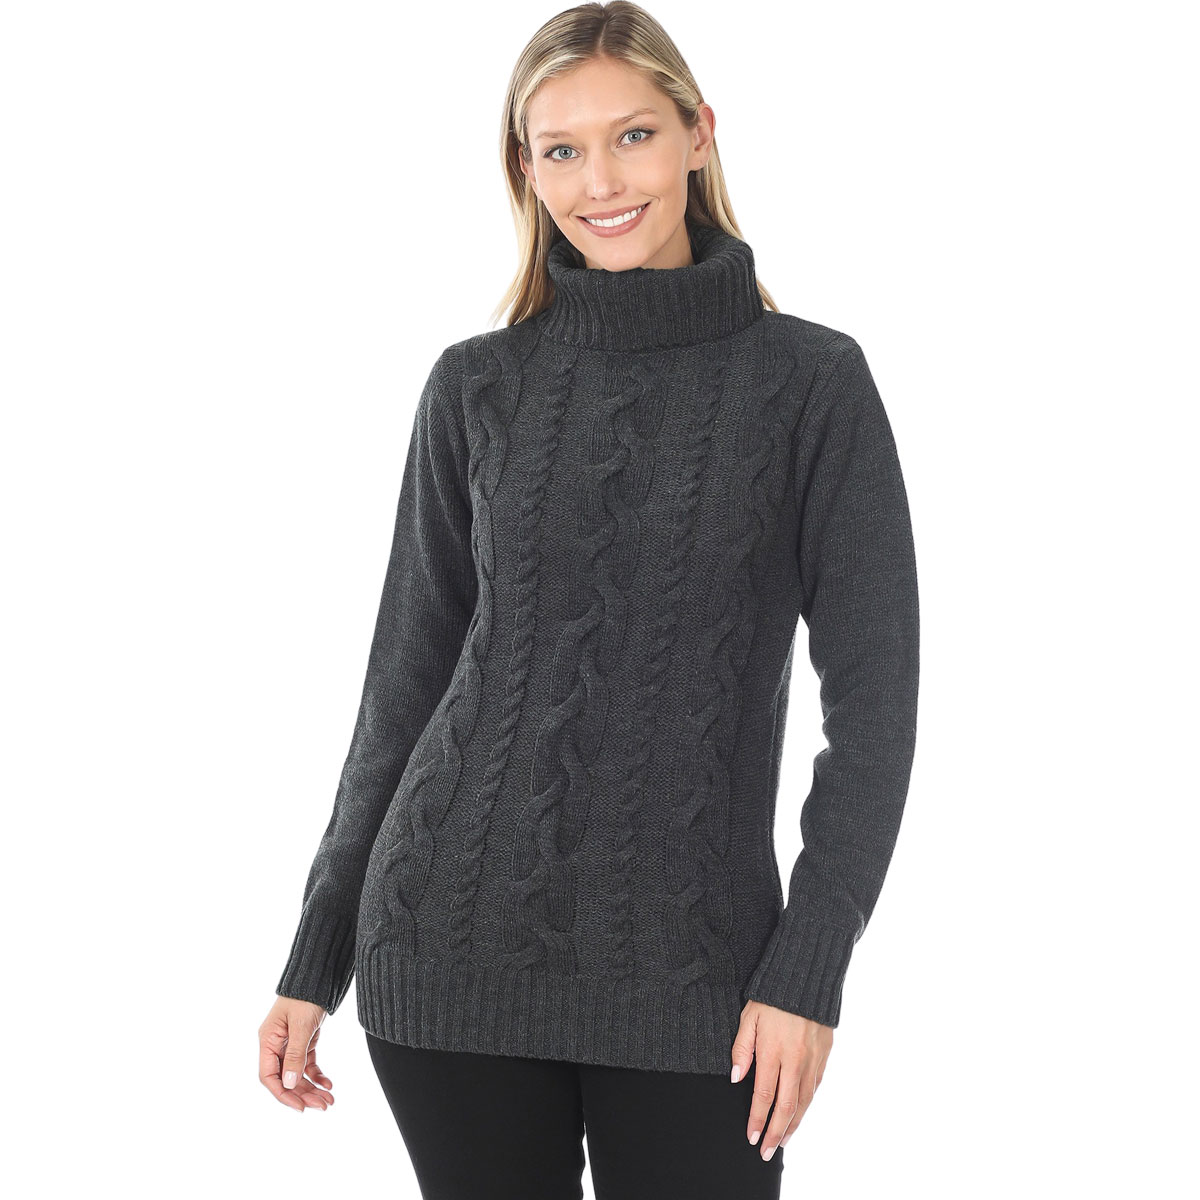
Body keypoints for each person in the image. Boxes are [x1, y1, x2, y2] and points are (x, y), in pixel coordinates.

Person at [258, 4, 920, 1197]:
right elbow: (406, 683)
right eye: (560, 149)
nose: (600, 182)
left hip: (700, 977)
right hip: (448, 950)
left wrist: (809, 968)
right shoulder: (476, 386)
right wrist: (319, 951)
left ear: (699, 134)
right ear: (525, 169)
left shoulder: (813, 384)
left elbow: (875, 710)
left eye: (634, 136)